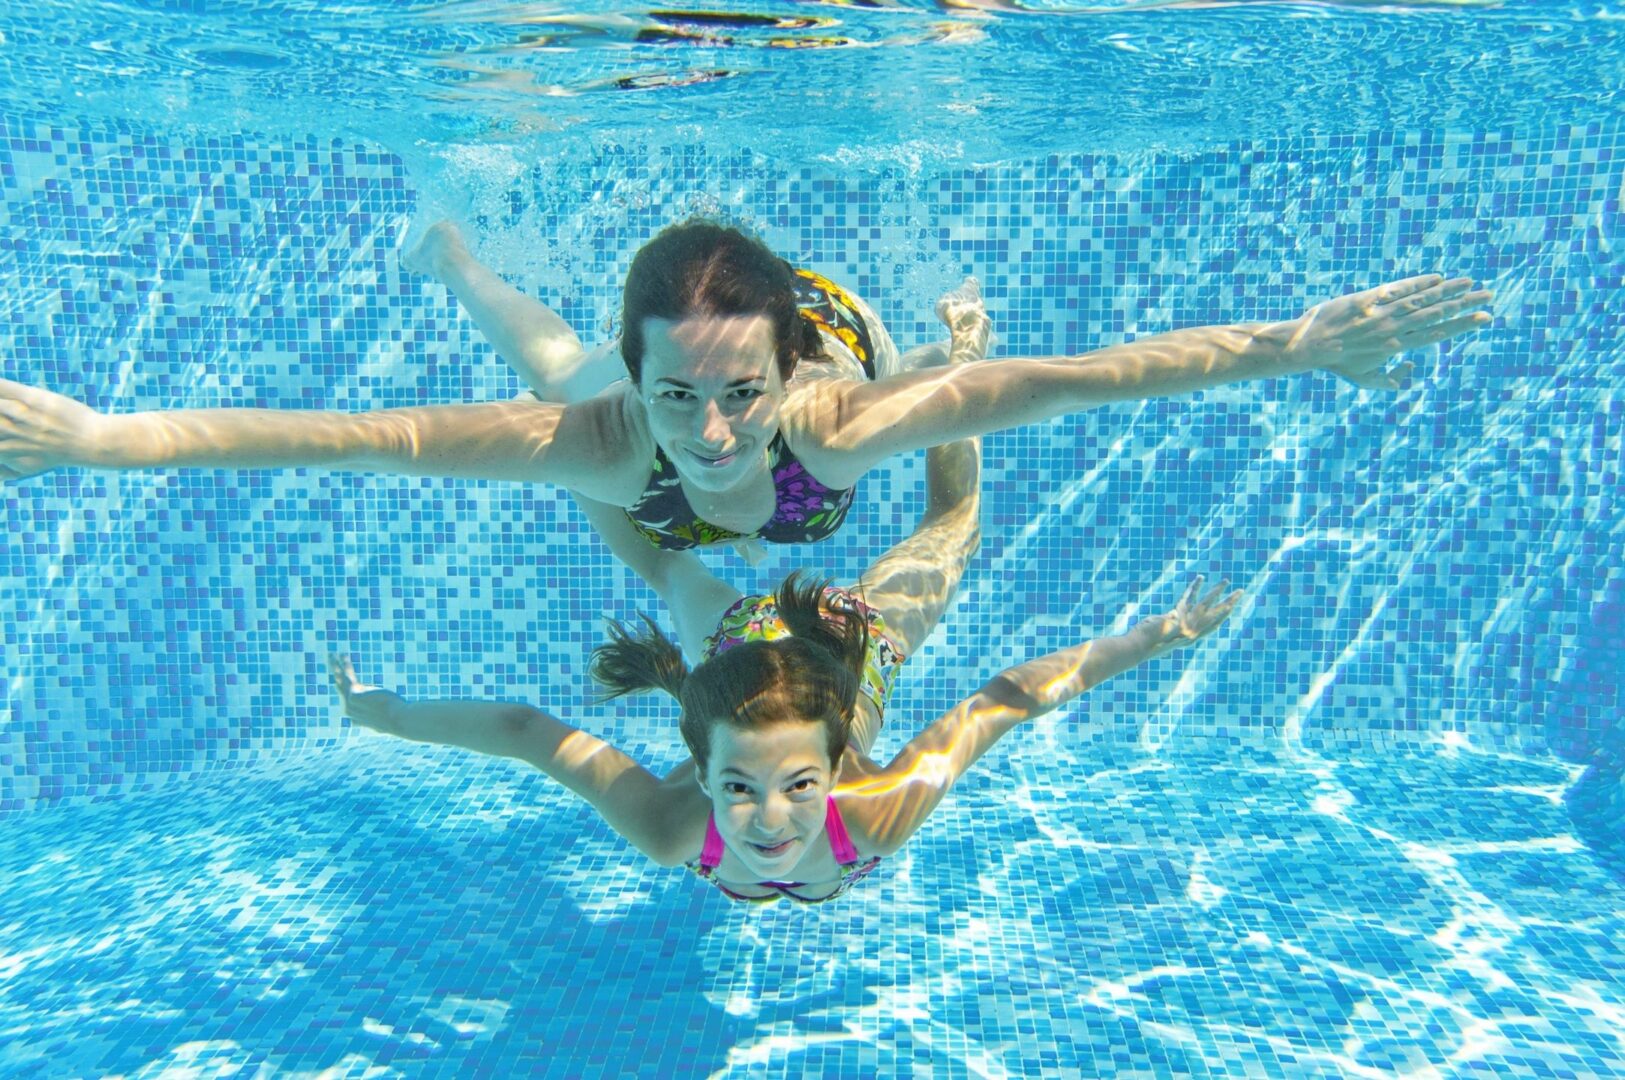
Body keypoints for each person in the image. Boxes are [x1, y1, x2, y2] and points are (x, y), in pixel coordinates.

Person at [0, 217, 1488, 642]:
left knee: (936, 406)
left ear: (776, 375)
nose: (713, 432)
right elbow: (345, 437)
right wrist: (102, 434)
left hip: (833, 346)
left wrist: (1289, 345)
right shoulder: (613, 431)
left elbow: (1086, 378)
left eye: (734, 396)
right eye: (680, 399)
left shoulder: (822, 423)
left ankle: (915, 333)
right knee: (557, 370)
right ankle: (459, 256)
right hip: (621, 435)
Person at [328, 419, 1241, 903]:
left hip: (837, 651)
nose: (767, 822)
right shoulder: (702, 820)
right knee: (662, 558)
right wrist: (380, 716)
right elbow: (1000, 701)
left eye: (801, 785)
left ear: (838, 757)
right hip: (774, 648)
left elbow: (1007, 698)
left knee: (946, 530)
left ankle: (957, 372)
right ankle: (582, 435)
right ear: (702, 760)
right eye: (738, 787)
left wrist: (1165, 632)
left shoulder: (701, 823)